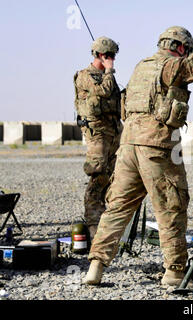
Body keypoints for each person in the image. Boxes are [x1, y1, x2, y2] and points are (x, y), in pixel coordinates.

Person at [83, 26, 193, 287]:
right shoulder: (176, 65)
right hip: (158, 149)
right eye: (186, 51)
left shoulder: (143, 65)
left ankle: (95, 267)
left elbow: (171, 77)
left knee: (118, 208)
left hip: (128, 147)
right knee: (171, 207)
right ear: (179, 48)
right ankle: (175, 273)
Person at [74, 37, 123, 241]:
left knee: (113, 175)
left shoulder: (106, 77)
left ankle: (107, 222)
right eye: (109, 56)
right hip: (97, 133)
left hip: (113, 131)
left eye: (113, 56)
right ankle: (93, 224)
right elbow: (102, 91)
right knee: (98, 174)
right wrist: (110, 71)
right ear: (100, 55)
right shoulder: (86, 76)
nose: (112, 60)